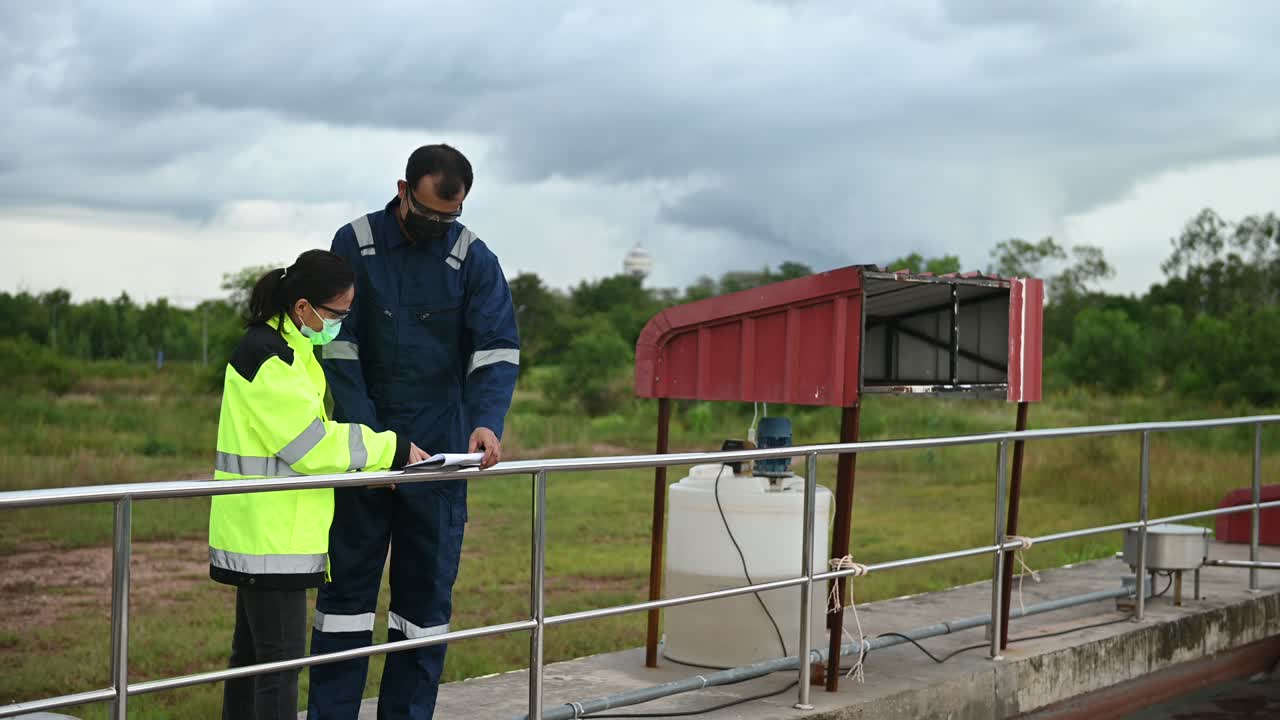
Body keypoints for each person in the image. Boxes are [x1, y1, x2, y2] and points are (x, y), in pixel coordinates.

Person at [308, 144, 520, 719]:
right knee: (346, 602)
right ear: (403, 191)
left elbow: (497, 350)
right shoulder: (356, 243)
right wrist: (376, 447)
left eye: (448, 218)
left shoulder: (473, 257)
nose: (437, 227)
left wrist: (486, 422)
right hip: (367, 452)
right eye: (427, 214)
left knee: (423, 608)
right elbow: (340, 350)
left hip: (441, 457)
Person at [208, 249, 428, 720]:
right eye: (336, 314)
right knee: (279, 668)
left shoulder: (294, 352)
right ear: (303, 307)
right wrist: (389, 449)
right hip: (268, 539)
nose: (341, 324)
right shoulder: (270, 357)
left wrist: (366, 468)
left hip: (268, 534)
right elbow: (309, 447)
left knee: (253, 663)